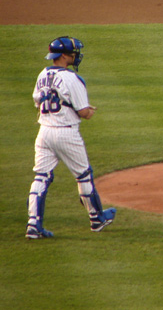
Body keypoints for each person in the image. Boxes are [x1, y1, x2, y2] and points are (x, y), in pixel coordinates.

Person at [26, 36, 116, 239]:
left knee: (41, 177)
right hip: (66, 133)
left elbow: (37, 101)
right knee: (83, 175)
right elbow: (83, 111)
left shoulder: (42, 74)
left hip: (44, 132)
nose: (76, 56)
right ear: (64, 55)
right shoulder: (71, 78)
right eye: (73, 53)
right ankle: (97, 219)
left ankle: (33, 224)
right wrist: (90, 111)